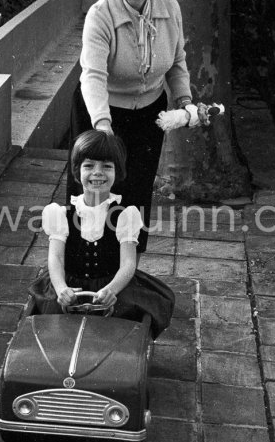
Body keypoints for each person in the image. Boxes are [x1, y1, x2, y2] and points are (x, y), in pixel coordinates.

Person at [66, 0, 199, 253]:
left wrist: (185, 102)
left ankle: (127, 268)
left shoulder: (170, 8)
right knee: (93, 191)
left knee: (136, 190)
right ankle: (81, 259)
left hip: (148, 113)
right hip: (99, 111)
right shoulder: (100, 15)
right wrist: (102, 125)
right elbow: (93, 75)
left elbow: (177, 61)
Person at [31, 129, 174, 339]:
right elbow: (56, 257)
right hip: (70, 285)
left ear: (118, 172)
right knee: (52, 322)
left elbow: (128, 264)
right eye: (89, 166)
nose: (97, 173)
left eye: (106, 166)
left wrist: (112, 290)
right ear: (77, 171)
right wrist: (61, 287)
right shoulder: (61, 214)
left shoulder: (125, 215)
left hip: (110, 285)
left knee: (126, 323)